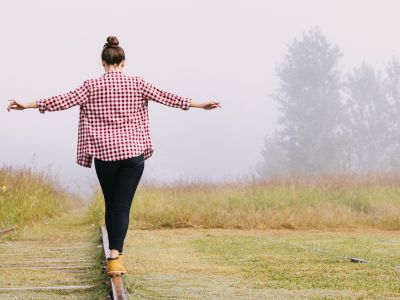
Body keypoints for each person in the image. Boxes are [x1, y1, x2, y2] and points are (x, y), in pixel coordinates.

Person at [6, 36, 221, 276]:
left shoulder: (90, 86)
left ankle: (115, 256)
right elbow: (168, 97)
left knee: (112, 204)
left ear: (102, 62)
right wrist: (200, 104)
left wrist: (26, 104)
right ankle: (115, 257)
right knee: (122, 206)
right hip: (132, 154)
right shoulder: (137, 84)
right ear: (123, 62)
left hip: (104, 155)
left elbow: (59, 101)